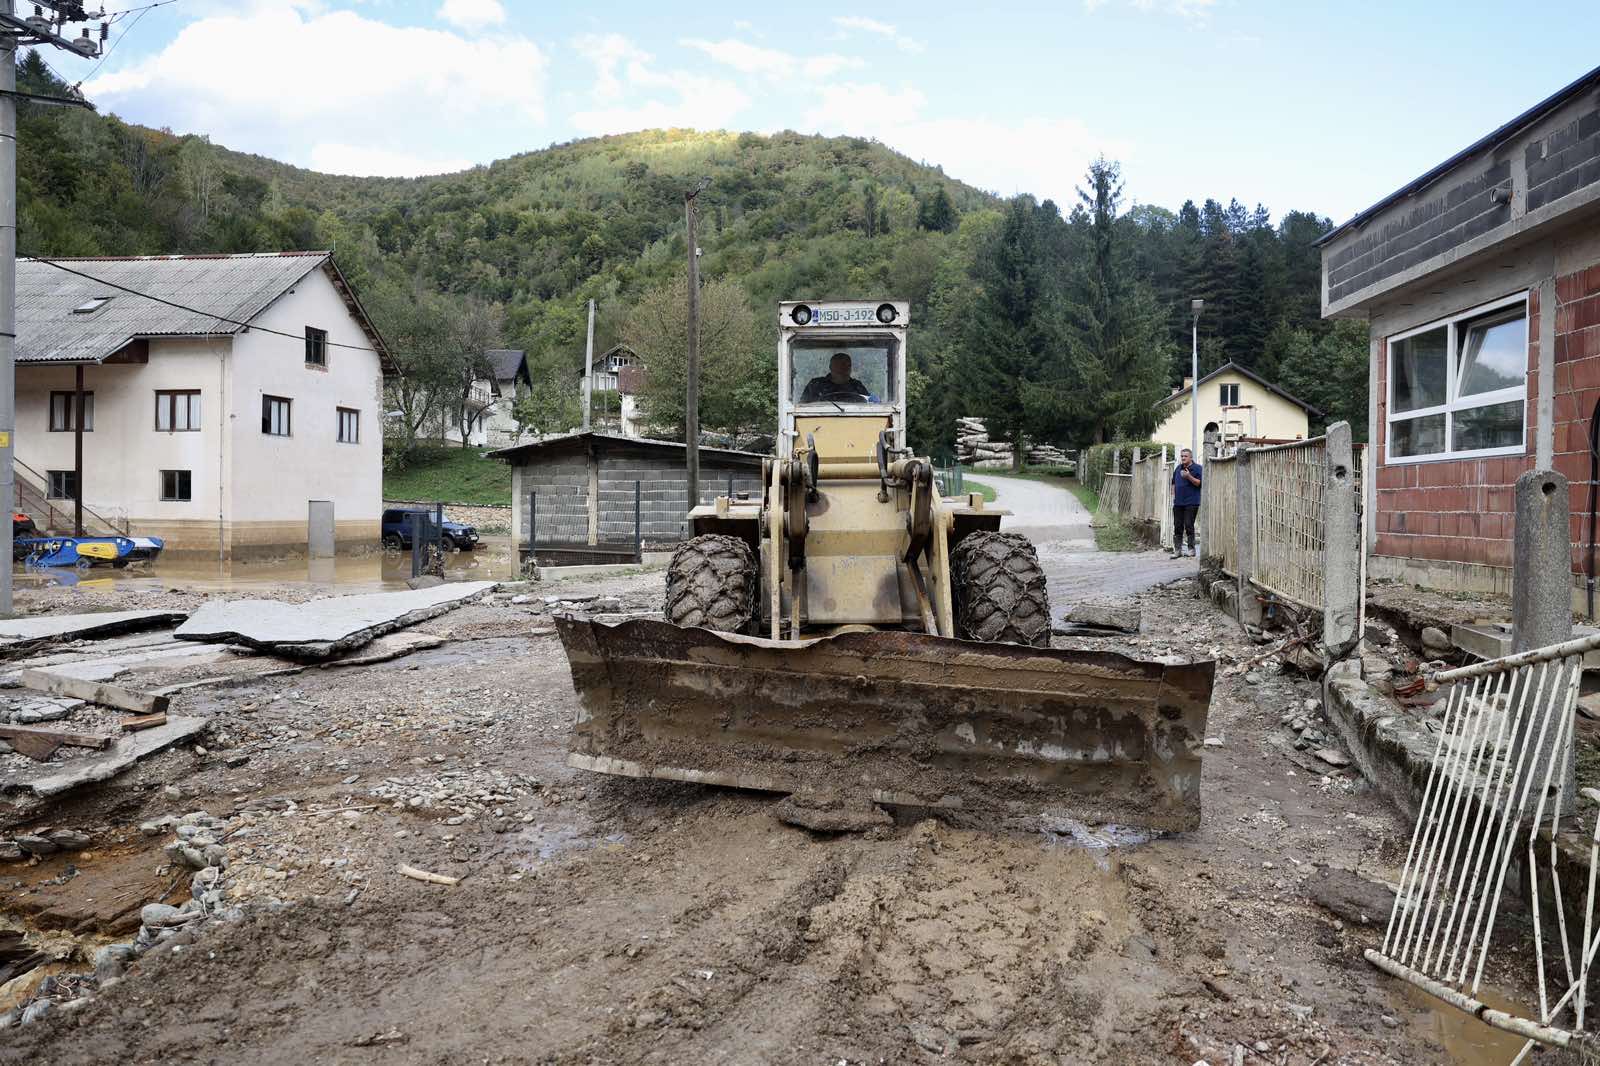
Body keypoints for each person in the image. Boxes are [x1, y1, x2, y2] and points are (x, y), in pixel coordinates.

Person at [800, 352, 872, 404]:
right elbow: (802, 407)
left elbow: (869, 405)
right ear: (831, 367)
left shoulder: (857, 386)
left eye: (848, 365)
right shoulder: (816, 385)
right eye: (840, 365)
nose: (844, 368)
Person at [1171, 447, 1202, 558]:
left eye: (1185, 456)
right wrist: (1173, 496)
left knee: (1189, 525)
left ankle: (1191, 549)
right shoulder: (1178, 468)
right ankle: (1177, 550)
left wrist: (1188, 476)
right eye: (1182, 456)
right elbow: (1173, 482)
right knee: (1177, 526)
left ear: (1191, 457)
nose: (1183, 458)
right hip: (1178, 502)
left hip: (1191, 502)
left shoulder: (1198, 468)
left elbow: (1199, 483)